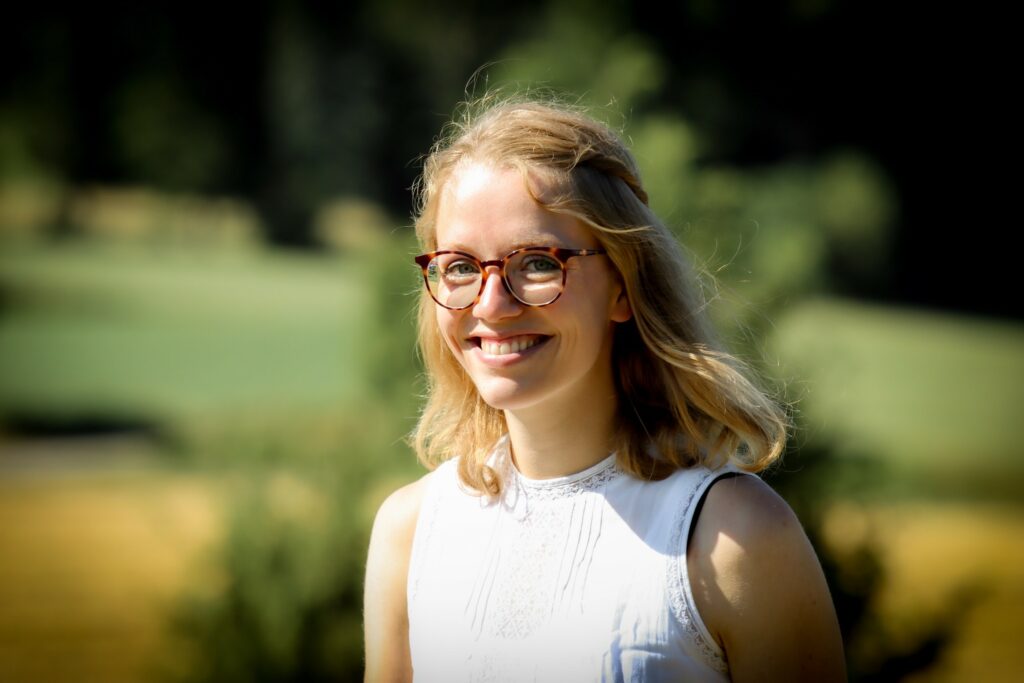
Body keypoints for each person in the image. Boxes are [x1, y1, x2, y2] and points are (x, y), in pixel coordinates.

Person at [363, 95, 845, 682]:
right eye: (461, 265)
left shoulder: (733, 538)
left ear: (624, 284)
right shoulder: (411, 532)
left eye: (537, 263)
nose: (491, 304)